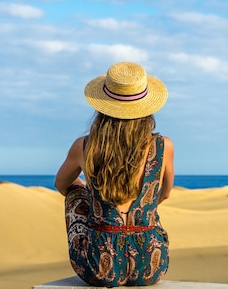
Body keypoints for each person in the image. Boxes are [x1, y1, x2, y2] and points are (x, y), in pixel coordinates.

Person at [55, 61, 174, 287]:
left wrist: (87, 192)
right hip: (149, 264)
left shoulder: (85, 147)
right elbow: (165, 194)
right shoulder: (164, 146)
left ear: (103, 108)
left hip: (99, 267)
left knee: (74, 192)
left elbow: (61, 184)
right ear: (147, 108)